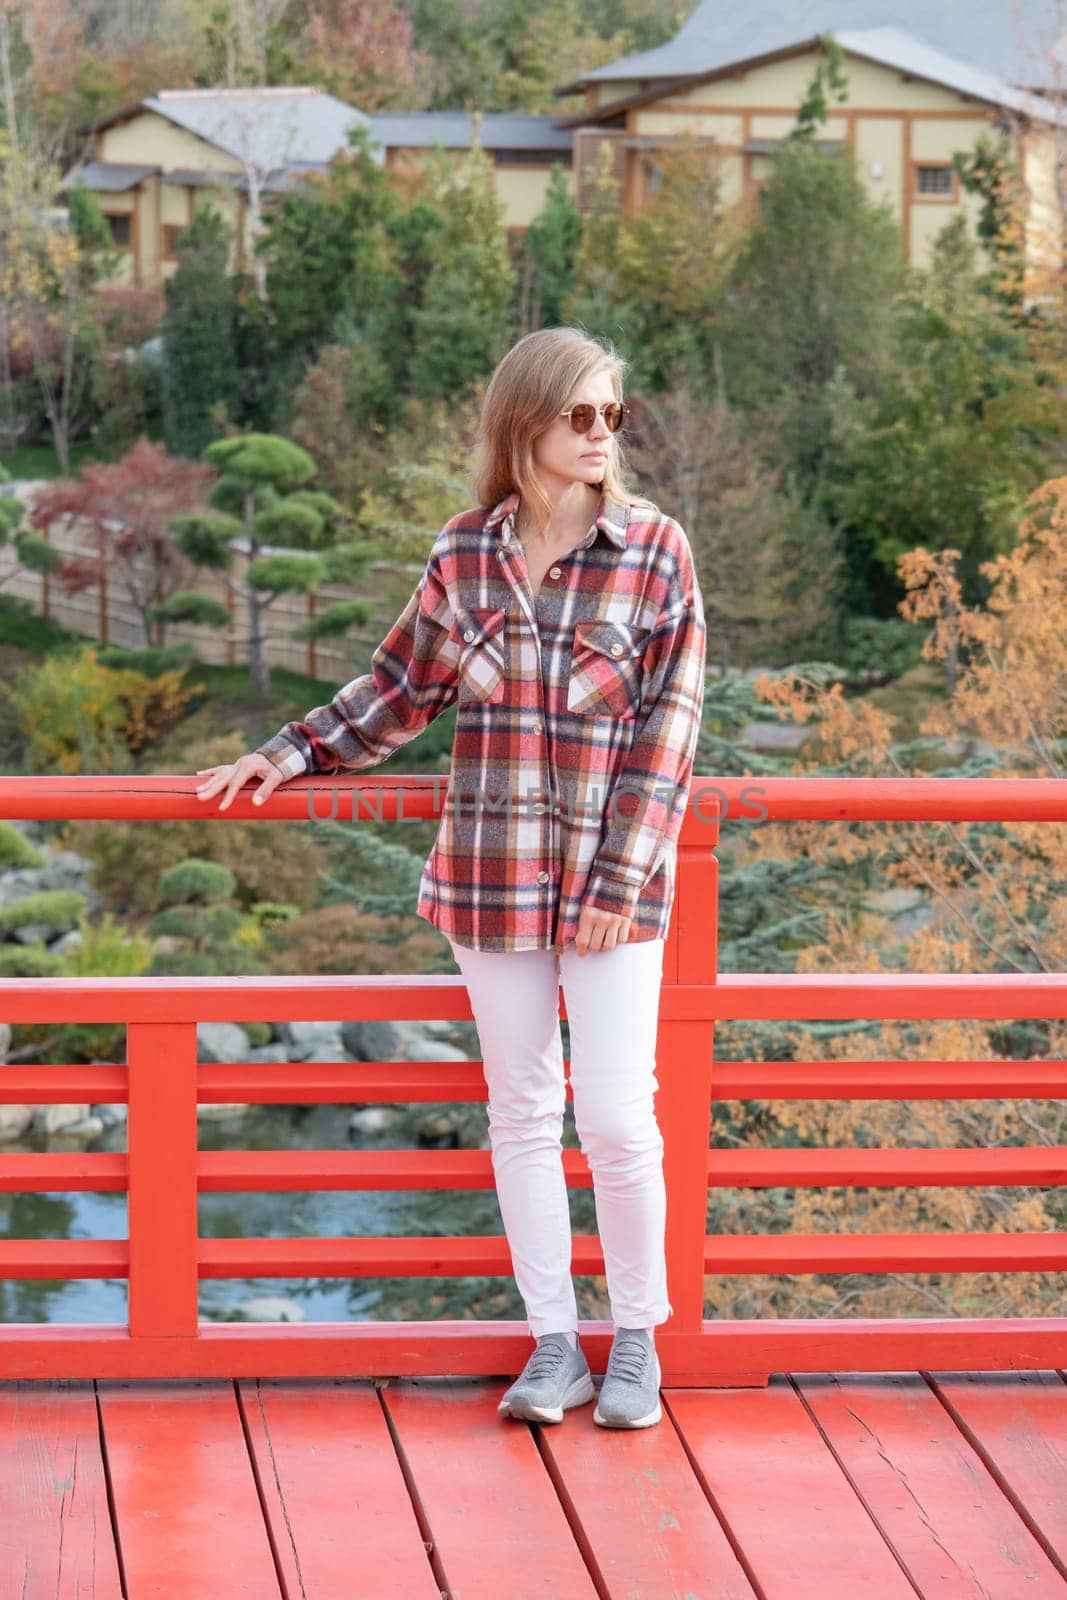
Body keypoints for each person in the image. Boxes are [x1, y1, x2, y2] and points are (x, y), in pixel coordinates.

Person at [194, 326, 707, 1430]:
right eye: (580, 415)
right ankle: (554, 1343)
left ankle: (637, 1344)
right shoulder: (462, 554)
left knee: (616, 1118)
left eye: (613, 415)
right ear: (523, 422)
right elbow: (396, 690)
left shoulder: (656, 549)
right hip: (488, 871)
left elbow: (672, 728)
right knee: (520, 1111)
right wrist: (284, 752)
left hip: (609, 884)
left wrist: (621, 875)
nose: (600, 436)